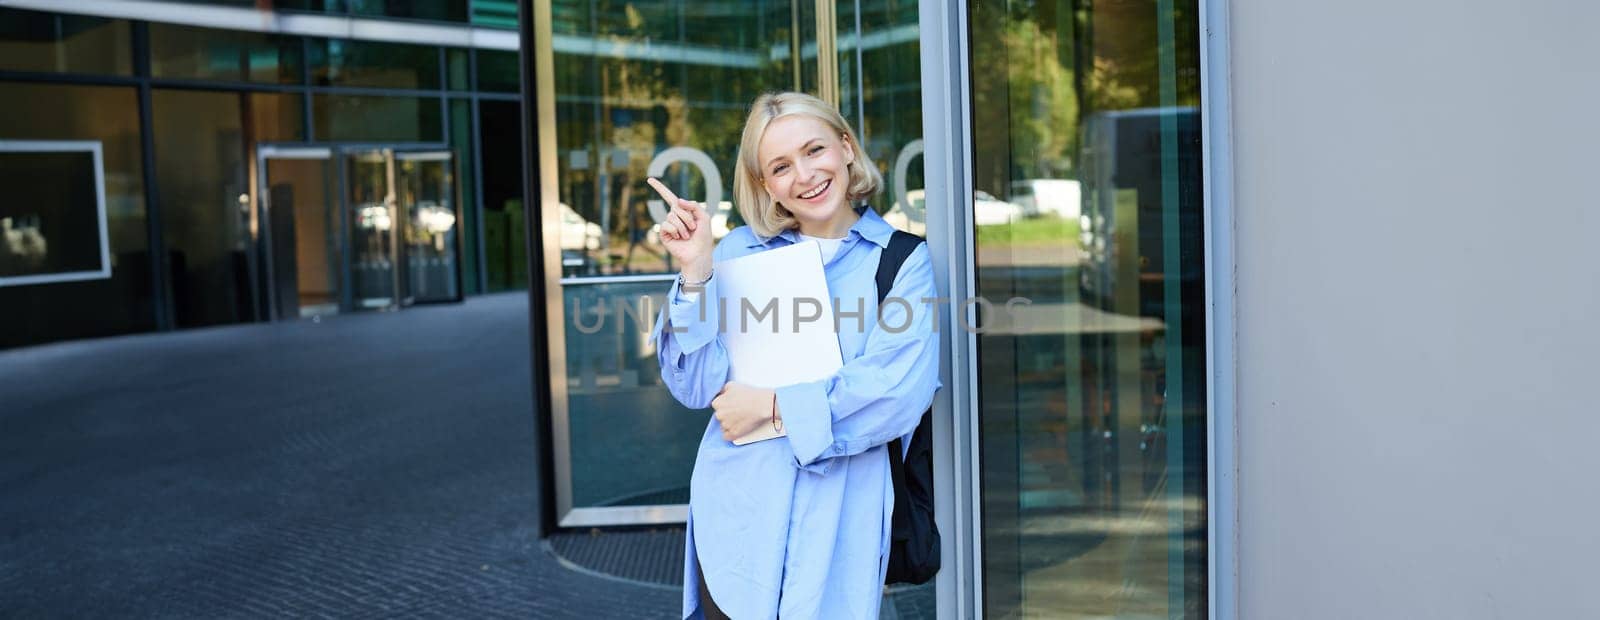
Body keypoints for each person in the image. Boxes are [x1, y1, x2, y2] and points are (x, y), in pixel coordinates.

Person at [648, 91, 940, 619]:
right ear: (765, 184)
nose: (804, 175)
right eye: (780, 166)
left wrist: (772, 406)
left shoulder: (902, 263)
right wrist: (694, 272)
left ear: (846, 147)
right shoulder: (735, 252)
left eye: (815, 151)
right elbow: (694, 385)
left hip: (838, 526)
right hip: (736, 523)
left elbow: (894, 395)